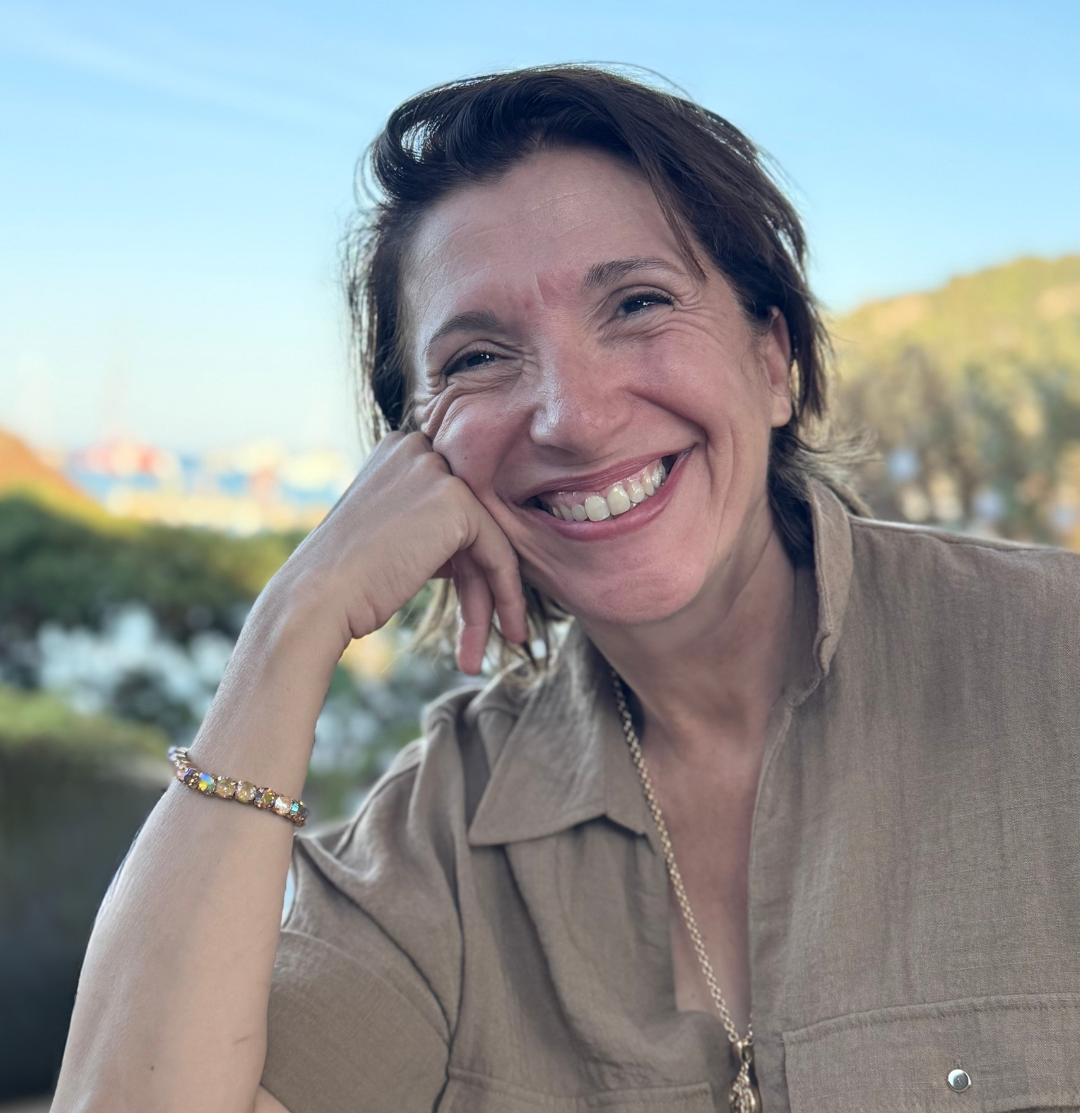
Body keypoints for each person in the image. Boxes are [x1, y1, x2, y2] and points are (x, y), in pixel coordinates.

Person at [54, 66, 1080, 1113]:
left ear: (773, 359)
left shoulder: (1054, 660)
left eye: (637, 305)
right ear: (420, 461)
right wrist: (292, 624)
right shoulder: (443, 838)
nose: (573, 418)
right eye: (480, 357)